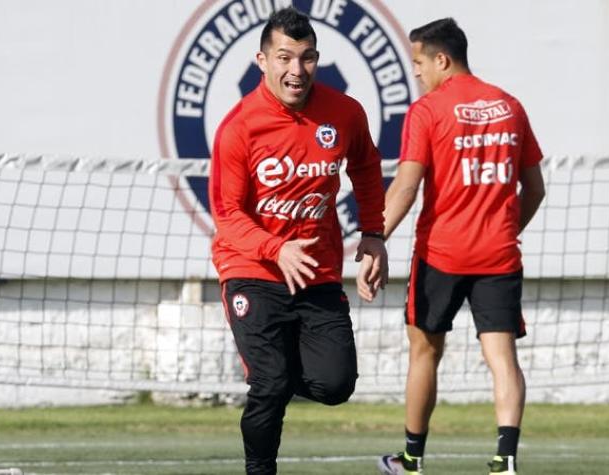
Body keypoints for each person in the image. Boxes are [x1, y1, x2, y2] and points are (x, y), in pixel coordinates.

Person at [208, 7, 388, 475]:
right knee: (269, 384)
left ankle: (279, 372)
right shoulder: (239, 127)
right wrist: (275, 248)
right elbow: (227, 216)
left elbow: (366, 168)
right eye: (285, 57)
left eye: (307, 58)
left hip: (316, 271)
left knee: (336, 385)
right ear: (263, 61)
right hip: (252, 268)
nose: (297, 70)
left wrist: (373, 234)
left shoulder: (345, 112)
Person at [369, 18, 545, 475]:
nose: (416, 72)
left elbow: (405, 188)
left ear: (442, 60)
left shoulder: (428, 111)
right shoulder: (509, 106)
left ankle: (411, 458)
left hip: (441, 255)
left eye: (419, 63)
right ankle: (505, 460)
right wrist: (503, 228)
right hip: (499, 255)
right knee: (502, 357)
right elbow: (535, 189)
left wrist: (374, 241)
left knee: (425, 352)